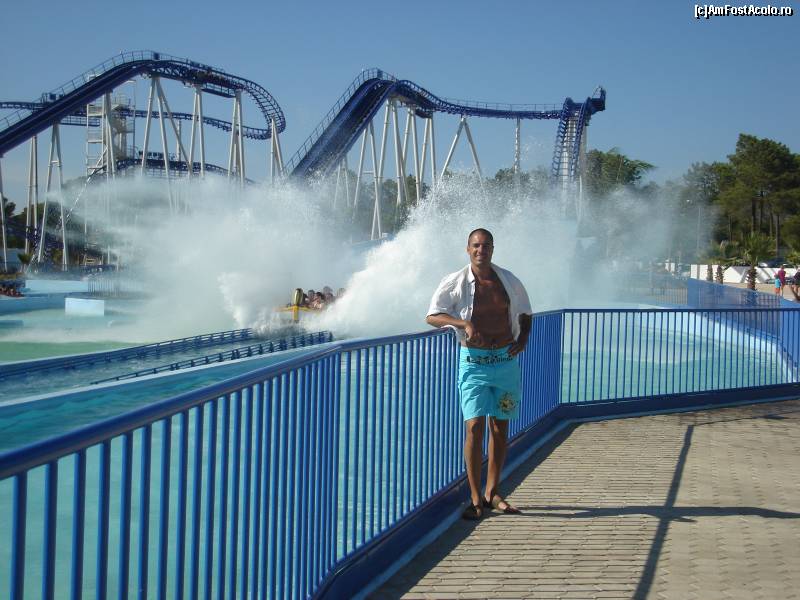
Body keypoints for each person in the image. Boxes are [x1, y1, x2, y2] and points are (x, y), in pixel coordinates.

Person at [426, 228, 532, 520]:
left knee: (500, 428)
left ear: (493, 249)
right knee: (474, 426)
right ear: (467, 249)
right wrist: (463, 324)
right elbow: (433, 315)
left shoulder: (508, 281)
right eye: (476, 245)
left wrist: (523, 340)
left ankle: (493, 493)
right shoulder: (455, 282)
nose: (480, 250)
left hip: (505, 362)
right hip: (473, 363)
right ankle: (474, 498)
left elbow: (525, 314)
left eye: (486, 246)